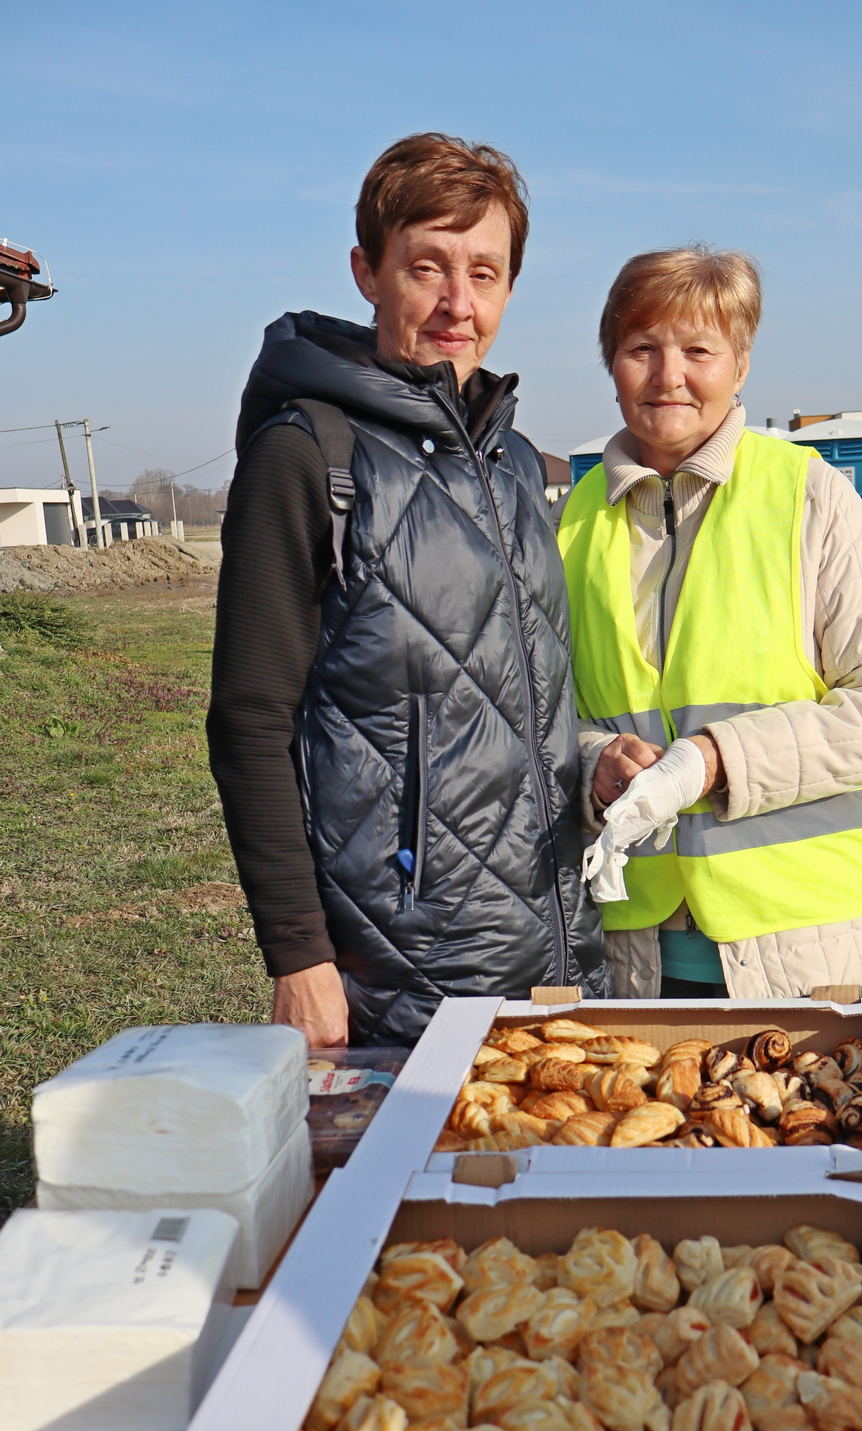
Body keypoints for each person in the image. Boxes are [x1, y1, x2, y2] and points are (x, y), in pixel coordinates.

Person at [208, 133, 606, 1047]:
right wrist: (298, 958)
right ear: (368, 272)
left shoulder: (514, 463)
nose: (458, 303)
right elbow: (249, 720)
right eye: (427, 267)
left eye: (485, 273)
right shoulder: (308, 455)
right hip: (401, 974)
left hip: (557, 958)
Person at [556, 246, 862, 1001]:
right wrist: (595, 761)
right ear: (612, 365)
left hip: (801, 953)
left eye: (698, 351)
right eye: (642, 349)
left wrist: (713, 762)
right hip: (628, 957)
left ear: (741, 365)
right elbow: (535, 718)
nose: (669, 376)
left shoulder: (809, 497)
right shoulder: (570, 522)